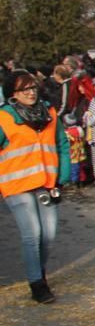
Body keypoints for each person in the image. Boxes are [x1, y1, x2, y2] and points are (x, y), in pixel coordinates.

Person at [0, 70, 71, 303]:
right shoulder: (4, 117)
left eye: (33, 88)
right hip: (17, 184)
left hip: (47, 182)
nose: (30, 93)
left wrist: (62, 175)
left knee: (48, 234)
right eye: (24, 89)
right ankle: (37, 283)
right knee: (32, 234)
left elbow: (61, 143)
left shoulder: (49, 112)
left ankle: (38, 272)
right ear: (13, 93)